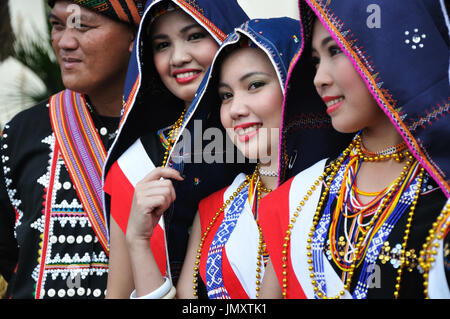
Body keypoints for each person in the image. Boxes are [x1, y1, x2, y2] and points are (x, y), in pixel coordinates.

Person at [259, 0, 449, 299]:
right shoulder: (299, 197)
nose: (319, 78)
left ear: (393, 45)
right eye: (315, 60)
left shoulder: (441, 191)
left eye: (336, 50)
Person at [103, 0, 250, 298]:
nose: (178, 57)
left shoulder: (275, 141)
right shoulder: (136, 168)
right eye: (162, 45)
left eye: (195, 36)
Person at [0, 0, 144, 299]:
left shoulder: (174, 133)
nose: (64, 42)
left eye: (83, 26)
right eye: (57, 25)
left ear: (134, 34)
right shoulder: (21, 133)